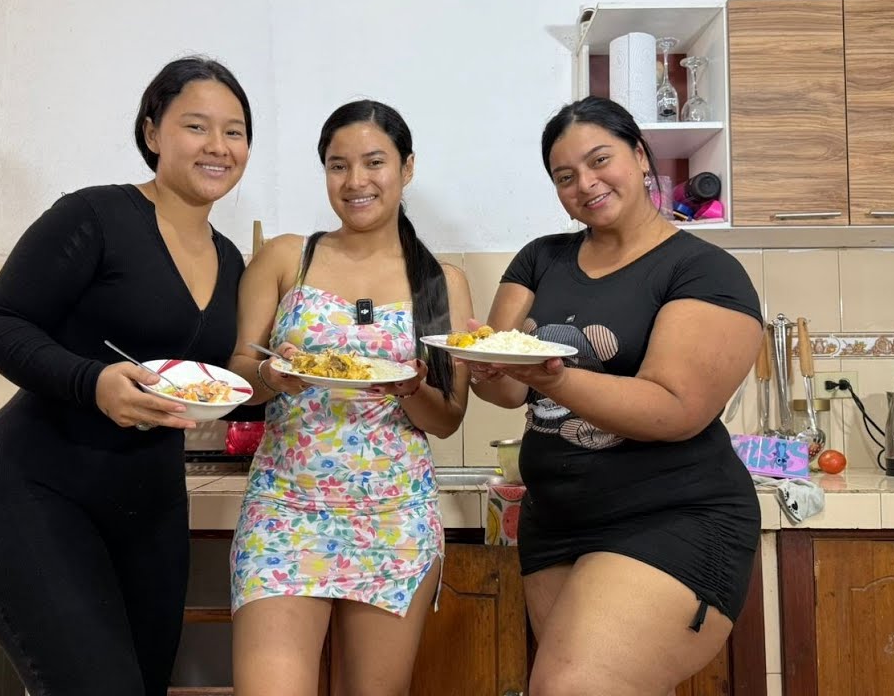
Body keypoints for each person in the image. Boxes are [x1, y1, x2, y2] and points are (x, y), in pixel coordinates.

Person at [0, 57, 254, 696]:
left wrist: (296, 384)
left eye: (235, 130)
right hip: (33, 488)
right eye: (197, 126)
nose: (218, 146)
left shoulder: (229, 260)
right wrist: (93, 383)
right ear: (152, 133)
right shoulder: (95, 216)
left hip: (150, 507)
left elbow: (216, 384)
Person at [467, 96, 763, 696]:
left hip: (671, 516)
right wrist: (482, 367)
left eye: (600, 160)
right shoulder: (540, 259)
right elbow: (502, 383)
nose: (586, 184)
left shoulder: (702, 270)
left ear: (639, 153)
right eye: (565, 176)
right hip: (556, 523)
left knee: (569, 687)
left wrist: (553, 377)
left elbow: (674, 409)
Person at [226, 100, 473, 695]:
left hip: (394, 518)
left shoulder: (441, 280)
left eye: (374, 162)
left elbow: (447, 418)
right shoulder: (288, 257)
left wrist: (409, 389)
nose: (356, 181)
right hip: (286, 508)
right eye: (338, 166)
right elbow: (241, 367)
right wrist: (272, 379)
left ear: (406, 168)